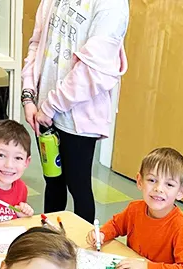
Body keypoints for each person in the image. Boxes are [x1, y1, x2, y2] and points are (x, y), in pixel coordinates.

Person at [20, 0, 129, 223]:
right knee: (52, 183)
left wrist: (50, 106)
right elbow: (37, 44)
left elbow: (94, 70)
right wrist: (28, 96)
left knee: (78, 188)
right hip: (44, 114)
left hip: (79, 118)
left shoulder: (113, 5)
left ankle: (83, 252)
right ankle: (48, 247)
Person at [90, 147, 183, 269]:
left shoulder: (180, 227)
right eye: (152, 180)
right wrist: (102, 234)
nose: (158, 189)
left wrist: (146, 266)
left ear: (181, 192)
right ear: (139, 181)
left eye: (169, 184)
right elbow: (116, 225)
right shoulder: (134, 209)